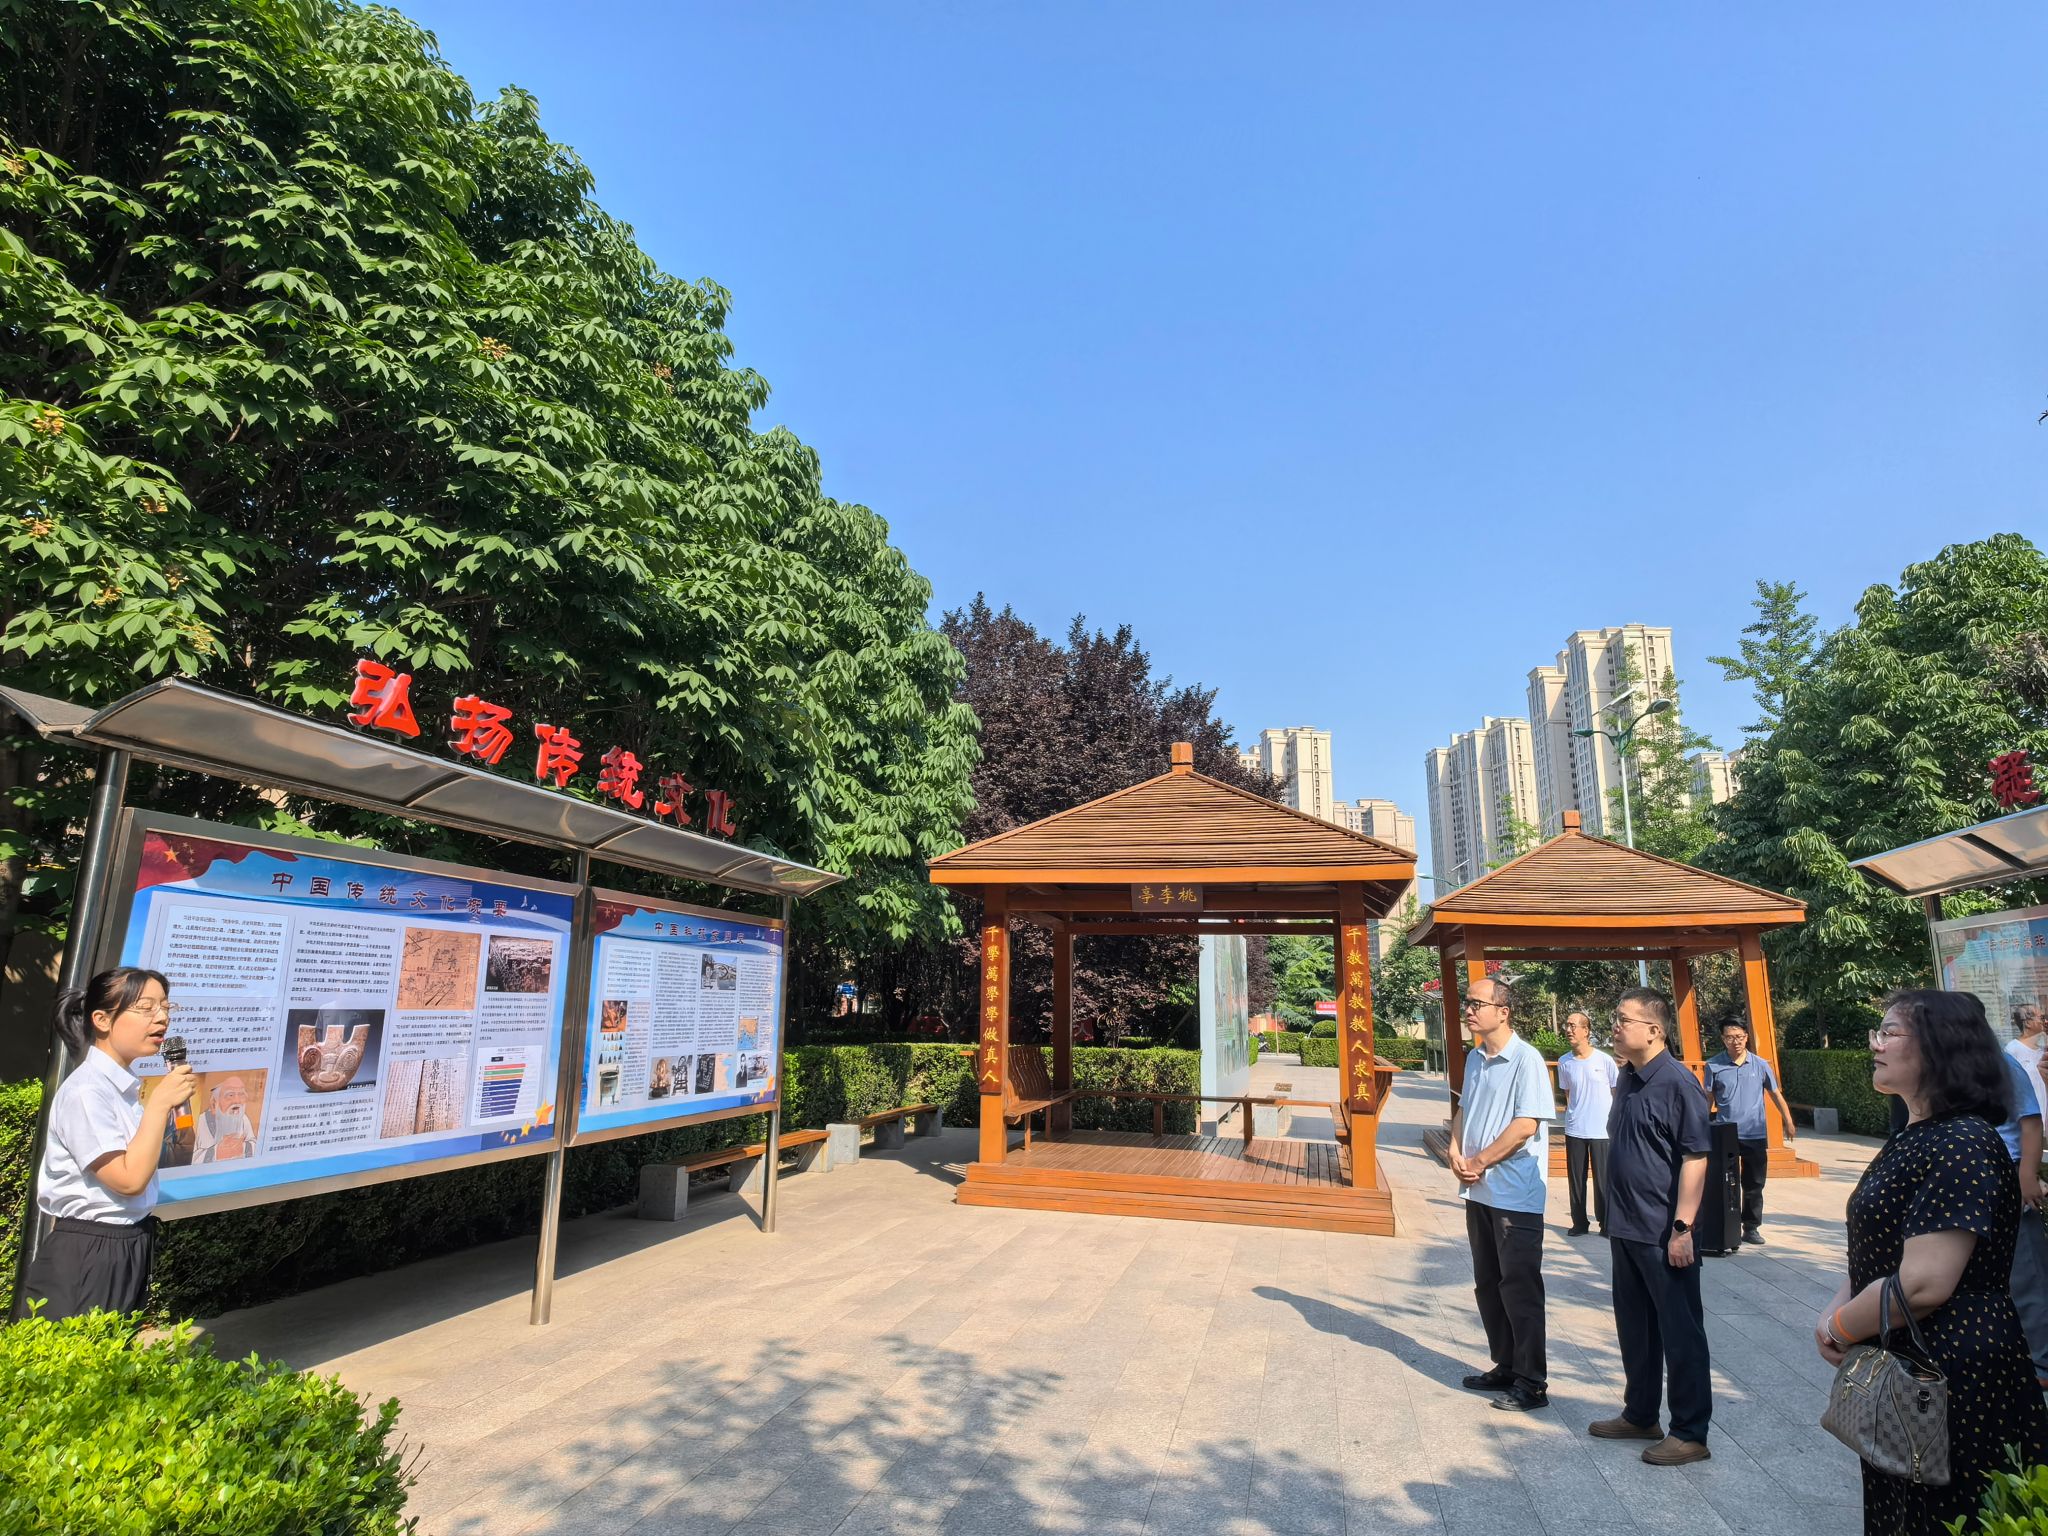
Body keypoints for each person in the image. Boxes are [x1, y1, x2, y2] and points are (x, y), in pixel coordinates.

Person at [1818, 990, 2048, 1536]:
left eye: (1889, 1032)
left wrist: (1838, 1326)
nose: (1875, 1045)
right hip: (1909, 1363)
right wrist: (1842, 1307)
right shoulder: (1916, 1134)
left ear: (1940, 1047)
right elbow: (1881, 1245)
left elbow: (1924, 1283)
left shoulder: (1962, 1141)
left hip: (1952, 1369)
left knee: (1945, 1516)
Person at [19, 967, 193, 1321]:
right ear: (101, 1020)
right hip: (89, 1251)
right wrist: (160, 1105)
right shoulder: (87, 1092)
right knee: (79, 1353)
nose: (161, 1018)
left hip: (125, 1242)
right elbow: (127, 1180)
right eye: (145, 1007)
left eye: (165, 1006)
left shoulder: (122, 1088)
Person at [1593, 986, 1713, 1466]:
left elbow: (1696, 1158)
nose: (1615, 1026)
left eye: (1624, 1019)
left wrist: (1683, 1228)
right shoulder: (1629, 1077)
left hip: (1664, 1232)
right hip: (1625, 1226)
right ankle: (1641, 1414)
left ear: (1654, 1030)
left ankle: (1690, 1432)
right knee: (1635, 1329)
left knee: (1681, 1333)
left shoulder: (1678, 1083)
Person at [1448, 975, 1555, 1413]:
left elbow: (1525, 1125)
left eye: (1478, 1003)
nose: (1469, 1009)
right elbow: (1464, 1110)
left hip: (1515, 1195)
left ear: (1503, 1011)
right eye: (1467, 1002)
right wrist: (1455, 1149)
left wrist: (1479, 1160)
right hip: (1480, 1192)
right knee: (1488, 1284)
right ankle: (1506, 1365)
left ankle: (1532, 1382)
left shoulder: (1526, 1060)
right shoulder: (1475, 1057)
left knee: (1520, 1287)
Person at [1704, 1019, 1797, 1246]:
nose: (1735, 1041)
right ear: (1723, 1039)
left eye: (1739, 1036)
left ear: (1746, 1037)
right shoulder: (1713, 1065)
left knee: (1754, 1184)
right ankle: (1728, 1226)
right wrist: (1701, 1125)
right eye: (1729, 1037)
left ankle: (1751, 1227)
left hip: (1754, 1133)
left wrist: (1788, 1120)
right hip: (1725, 1134)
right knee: (1726, 1182)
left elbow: (1775, 1093)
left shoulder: (1760, 1065)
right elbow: (1708, 1099)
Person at [1995, 1046, 2048, 1389]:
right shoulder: (1951, 1063)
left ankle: (2043, 1363)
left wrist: (2027, 1175)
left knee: (2027, 1269)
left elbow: (2031, 1121)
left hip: (2010, 1172)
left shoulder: (2000, 1063)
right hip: (1978, 1173)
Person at [1556, 1011, 1618, 1237]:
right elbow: (1568, 1094)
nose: (1568, 1030)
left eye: (1573, 1025)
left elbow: (1616, 1092)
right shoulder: (1564, 1062)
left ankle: (1606, 1223)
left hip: (1602, 1130)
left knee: (1603, 1180)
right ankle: (1579, 1223)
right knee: (1576, 1180)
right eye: (1567, 1025)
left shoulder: (1604, 1060)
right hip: (1575, 1129)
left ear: (1586, 1031)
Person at [189, 1075, 258, 1162]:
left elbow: (254, 1144)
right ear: (214, 1104)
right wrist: (217, 1152)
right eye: (230, 1095)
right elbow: (185, 1159)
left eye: (241, 1094)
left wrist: (243, 1147)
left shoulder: (244, 1119)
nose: (237, 1101)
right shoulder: (198, 1123)